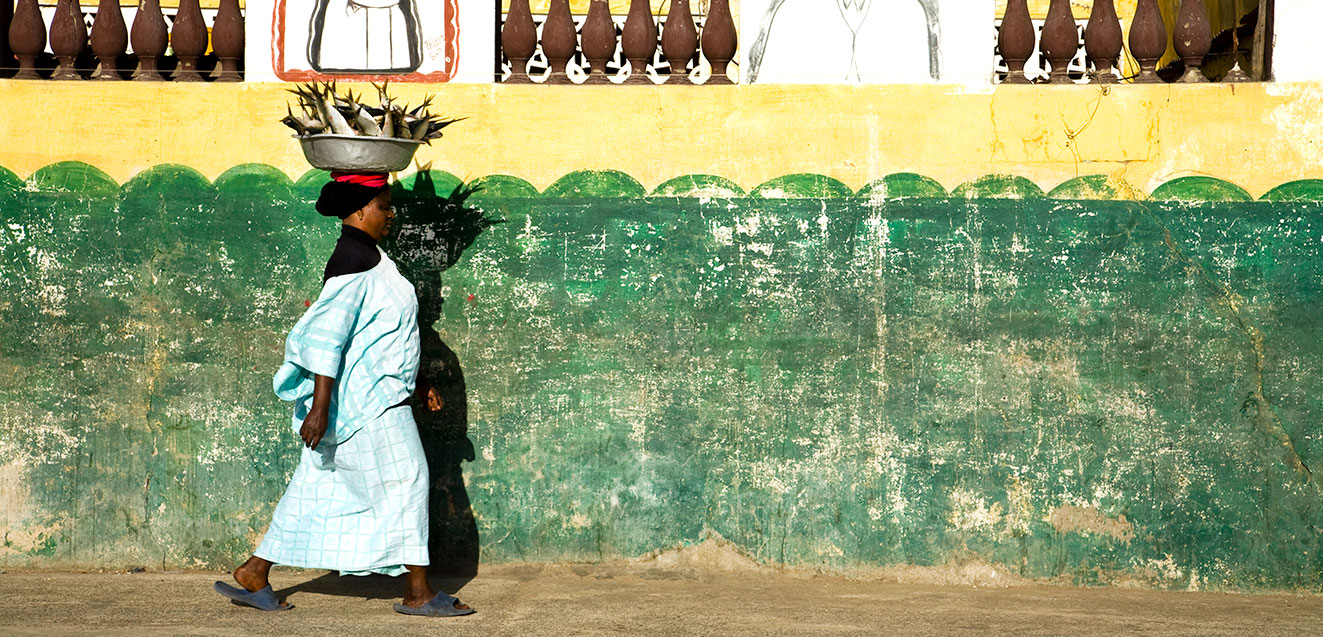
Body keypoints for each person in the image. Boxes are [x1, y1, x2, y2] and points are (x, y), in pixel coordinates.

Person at [213, 171, 474, 617]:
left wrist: (419, 381)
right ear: (358, 211)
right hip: (368, 406)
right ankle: (419, 592)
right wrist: (318, 409)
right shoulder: (353, 260)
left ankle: (254, 572)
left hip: (375, 397)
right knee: (408, 481)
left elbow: (380, 332)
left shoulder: (370, 256)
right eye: (384, 207)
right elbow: (327, 339)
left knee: (317, 487)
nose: (391, 214)